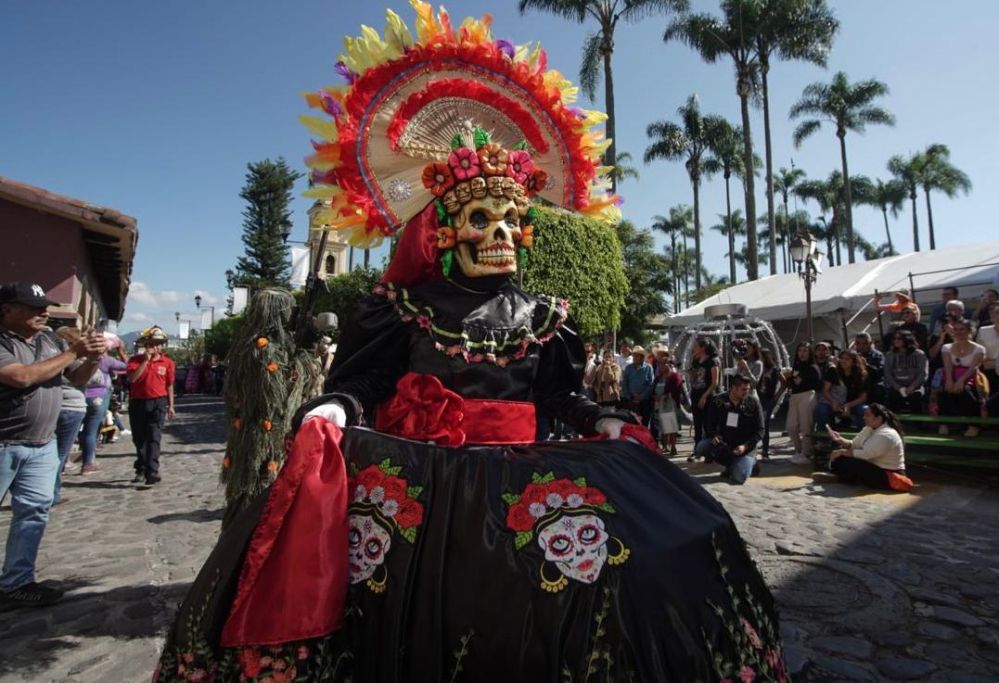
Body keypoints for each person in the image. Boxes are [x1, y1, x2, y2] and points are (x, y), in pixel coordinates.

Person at [155, 10, 786, 681]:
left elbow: (554, 394)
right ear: (446, 231)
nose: (502, 234)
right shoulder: (403, 308)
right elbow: (364, 383)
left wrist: (596, 416)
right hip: (427, 486)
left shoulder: (548, 315)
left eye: (514, 221)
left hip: (525, 476)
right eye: (481, 219)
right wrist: (335, 408)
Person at [0, 282, 105, 608]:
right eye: (33, 307)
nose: (43, 312)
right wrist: (74, 351)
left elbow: (77, 378)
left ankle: (16, 583)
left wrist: (92, 358)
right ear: (6, 310)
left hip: (41, 444)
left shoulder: (47, 340)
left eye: (44, 305)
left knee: (34, 513)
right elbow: (21, 377)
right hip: (3, 443)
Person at [126, 326, 176, 485]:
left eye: (158, 343)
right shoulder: (134, 361)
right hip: (138, 403)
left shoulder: (167, 362)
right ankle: (141, 467)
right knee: (139, 439)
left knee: (154, 437)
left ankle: (152, 471)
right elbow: (132, 379)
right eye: (152, 343)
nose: (155, 346)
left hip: (158, 402)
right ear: (146, 345)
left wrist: (171, 405)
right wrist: (145, 361)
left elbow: (169, 385)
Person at [826, 404, 913, 491]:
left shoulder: (887, 434)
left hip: (889, 475)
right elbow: (854, 444)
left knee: (854, 463)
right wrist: (839, 440)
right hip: (874, 468)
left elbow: (866, 454)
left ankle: (840, 477)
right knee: (841, 458)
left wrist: (843, 452)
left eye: (867, 415)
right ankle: (839, 476)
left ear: (878, 418)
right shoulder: (869, 428)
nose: (864, 417)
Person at [694, 375, 764, 484]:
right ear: (733, 388)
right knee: (701, 447)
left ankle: (751, 464)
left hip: (745, 447)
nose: (746, 392)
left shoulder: (753, 403)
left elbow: (760, 430)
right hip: (726, 444)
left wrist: (745, 446)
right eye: (743, 389)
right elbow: (709, 424)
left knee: (738, 478)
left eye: (748, 389)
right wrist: (714, 435)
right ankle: (732, 465)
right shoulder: (718, 401)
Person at [78, 346, 128, 475]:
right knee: (92, 430)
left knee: (78, 429)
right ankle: (87, 463)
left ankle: (67, 462)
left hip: (80, 395)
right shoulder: (106, 360)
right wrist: (120, 351)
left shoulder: (79, 357)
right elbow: (127, 366)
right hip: (99, 396)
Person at [51, 327, 87, 505]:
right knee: (59, 453)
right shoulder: (68, 356)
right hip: (71, 406)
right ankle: (51, 493)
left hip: (53, 407)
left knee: (52, 452)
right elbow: (87, 379)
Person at [936, 319, 986, 437]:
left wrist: (960, 381)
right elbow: (947, 366)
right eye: (956, 329)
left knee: (966, 391)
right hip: (952, 374)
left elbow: (973, 368)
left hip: (971, 377)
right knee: (944, 391)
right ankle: (944, 424)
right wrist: (949, 380)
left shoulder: (979, 349)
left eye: (962, 329)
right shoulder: (946, 347)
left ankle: (974, 425)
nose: (958, 332)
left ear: (969, 331)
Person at [814, 350, 870, 432]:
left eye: (847, 359)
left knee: (864, 410)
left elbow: (863, 398)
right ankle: (824, 438)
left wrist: (848, 405)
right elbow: (825, 391)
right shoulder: (833, 371)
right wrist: (833, 402)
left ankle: (864, 435)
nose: (843, 361)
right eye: (841, 358)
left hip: (852, 403)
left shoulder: (861, 375)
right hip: (834, 402)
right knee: (821, 409)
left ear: (854, 362)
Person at [785, 341, 821, 465]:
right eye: (800, 350)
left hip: (807, 395)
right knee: (791, 426)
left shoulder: (813, 367)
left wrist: (801, 381)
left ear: (810, 352)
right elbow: (792, 383)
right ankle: (799, 450)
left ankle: (806, 453)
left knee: (806, 426)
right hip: (794, 396)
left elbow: (817, 385)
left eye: (805, 350)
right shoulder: (796, 365)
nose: (802, 353)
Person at [883, 330, 928, 414]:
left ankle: (918, 424)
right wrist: (897, 386)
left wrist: (913, 386)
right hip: (896, 386)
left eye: (899, 338)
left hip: (914, 387)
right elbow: (887, 373)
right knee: (891, 396)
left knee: (916, 397)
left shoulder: (919, 354)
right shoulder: (890, 354)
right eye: (894, 338)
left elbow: (923, 374)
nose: (896, 341)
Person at [688, 338, 721, 448]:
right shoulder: (696, 361)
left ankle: (710, 450)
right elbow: (694, 378)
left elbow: (715, 382)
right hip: (696, 394)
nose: (694, 348)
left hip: (708, 395)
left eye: (696, 346)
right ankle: (697, 448)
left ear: (703, 348)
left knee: (708, 424)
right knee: (697, 423)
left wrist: (704, 396)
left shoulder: (713, 361)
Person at [653, 358, 682, 456]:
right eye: (659, 364)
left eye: (662, 364)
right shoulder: (659, 377)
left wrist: (664, 395)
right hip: (660, 405)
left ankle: (673, 447)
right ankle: (665, 446)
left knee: (671, 426)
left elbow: (676, 389)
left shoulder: (675, 376)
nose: (660, 366)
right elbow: (653, 388)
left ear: (668, 364)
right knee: (663, 426)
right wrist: (655, 396)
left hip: (671, 404)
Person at [756, 348, 781, 460]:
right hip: (758, 398)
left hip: (768, 399)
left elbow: (784, 382)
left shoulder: (774, 369)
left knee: (764, 424)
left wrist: (776, 396)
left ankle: (765, 450)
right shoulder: (758, 368)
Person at [621, 345, 655, 426]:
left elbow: (651, 384)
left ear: (642, 357)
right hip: (631, 401)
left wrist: (641, 396)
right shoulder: (628, 368)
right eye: (634, 355)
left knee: (644, 423)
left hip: (644, 401)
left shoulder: (648, 368)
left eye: (637, 356)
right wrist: (630, 397)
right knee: (632, 423)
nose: (634, 357)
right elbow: (624, 384)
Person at [854, 333, 885, 403]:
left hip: (873, 381)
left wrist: (866, 365)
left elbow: (880, 373)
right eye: (858, 343)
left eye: (865, 343)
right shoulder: (852, 355)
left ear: (870, 343)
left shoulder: (878, 355)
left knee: (878, 387)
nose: (861, 346)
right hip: (857, 381)